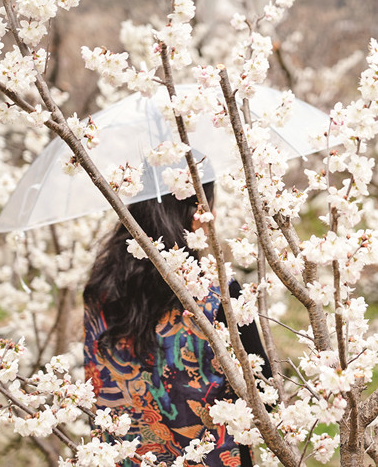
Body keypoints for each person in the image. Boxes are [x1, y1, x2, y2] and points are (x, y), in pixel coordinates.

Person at [83, 182, 270, 467]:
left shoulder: (100, 293)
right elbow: (263, 392)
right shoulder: (217, 293)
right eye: (210, 206)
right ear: (196, 215)